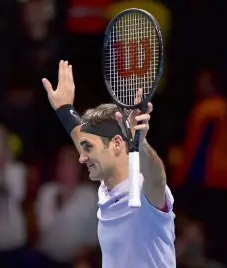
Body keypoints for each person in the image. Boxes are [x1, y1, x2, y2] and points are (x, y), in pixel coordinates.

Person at [42, 60, 176, 268]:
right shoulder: (108, 185)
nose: (82, 157)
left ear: (115, 144)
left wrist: (140, 143)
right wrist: (65, 109)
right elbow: (85, 142)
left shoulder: (140, 190)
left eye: (89, 148)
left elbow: (157, 180)